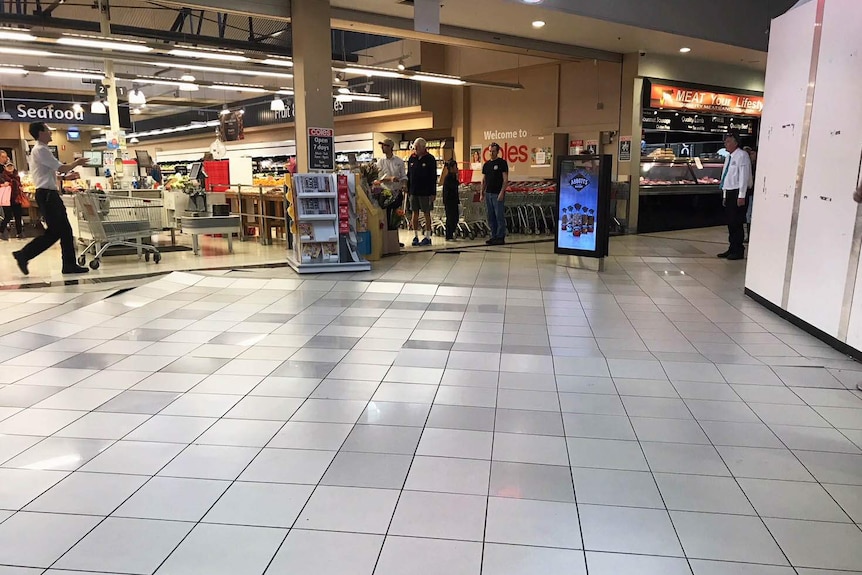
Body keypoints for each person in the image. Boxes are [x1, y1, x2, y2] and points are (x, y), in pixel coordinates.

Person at [13, 122, 89, 276]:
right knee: (56, 232)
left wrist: (67, 176)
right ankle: (24, 254)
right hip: (48, 195)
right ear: (41, 133)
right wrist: (77, 163)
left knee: (64, 231)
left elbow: (50, 172)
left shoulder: (41, 150)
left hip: (49, 194)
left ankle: (68, 264)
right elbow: (61, 167)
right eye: (48, 131)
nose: (51, 133)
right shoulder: (41, 150)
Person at [717, 133, 752, 260]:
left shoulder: (742, 156)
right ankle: (732, 247)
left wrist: (741, 195)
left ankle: (738, 250)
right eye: (725, 142)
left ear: (736, 143)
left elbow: (743, 177)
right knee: (730, 223)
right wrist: (725, 194)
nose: (726, 144)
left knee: (737, 222)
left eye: (728, 142)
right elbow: (726, 177)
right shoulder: (729, 157)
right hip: (730, 192)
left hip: (738, 192)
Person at [377, 138, 407, 246]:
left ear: (390, 147)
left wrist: (404, 184)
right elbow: (378, 178)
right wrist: (389, 179)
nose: (382, 148)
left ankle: (394, 240)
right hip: (385, 192)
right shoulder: (380, 161)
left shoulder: (399, 161)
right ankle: (386, 239)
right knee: (386, 216)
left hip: (397, 192)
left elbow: (403, 176)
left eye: (384, 146)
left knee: (396, 217)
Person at [407, 138, 436, 246]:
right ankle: (415, 236)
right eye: (415, 147)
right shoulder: (412, 158)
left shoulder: (430, 159)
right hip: (414, 191)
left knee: (426, 213)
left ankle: (428, 237)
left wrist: (433, 193)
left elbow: (433, 177)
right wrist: (408, 188)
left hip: (426, 192)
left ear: (423, 147)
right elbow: (409, 174)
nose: (415, 149)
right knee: (414, 213)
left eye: (417, 147)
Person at [481, 142, 509, 245]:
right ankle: (493, 235)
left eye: (493, 151)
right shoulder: (486, 165)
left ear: (497, 152)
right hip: (488, 193)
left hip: (497, 193)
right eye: (490, 151)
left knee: (499, 216)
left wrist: (502, 192)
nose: (491, 153)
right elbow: (484, 180)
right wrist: (482, 192)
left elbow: (505, 179)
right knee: (491, 216)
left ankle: (500, 236)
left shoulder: (502, 163)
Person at [1, 162, 24, 240]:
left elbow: (20, 184)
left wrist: (20, 187)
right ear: (5, 167)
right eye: (8, 166)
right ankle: (1, 231)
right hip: (6, 199)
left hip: (16, 198)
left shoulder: (17, 176)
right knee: (8, 216)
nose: (10, 168)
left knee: (18, 216)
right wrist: (2, 185)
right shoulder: (2, 176)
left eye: (11, 166)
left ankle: (19, 233)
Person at [440, 155, 460, 241]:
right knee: (451, 218)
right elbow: (452, 187)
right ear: (451, 168)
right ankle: (449, 235)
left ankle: (452, 232)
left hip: (454, 200)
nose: (457, 168)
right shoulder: (448, 178)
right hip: (449, 201)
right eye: (455, 167)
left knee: (455, 217)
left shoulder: (454, 177)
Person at [743, 146, 757, 243]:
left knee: (750, 214)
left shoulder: (756, 166)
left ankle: (750, 235)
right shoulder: (750, 165)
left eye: (752, 153)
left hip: (753, 193)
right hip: (749, 193)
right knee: (748, 214)